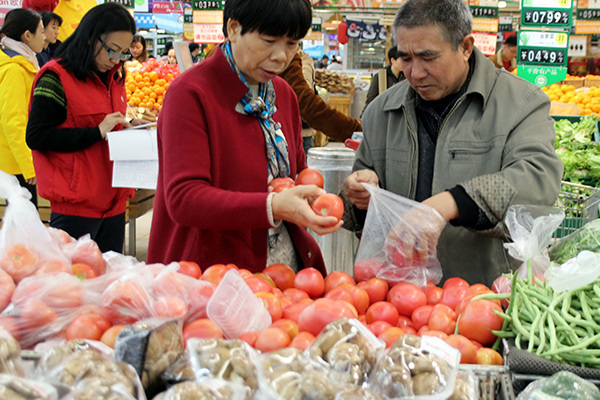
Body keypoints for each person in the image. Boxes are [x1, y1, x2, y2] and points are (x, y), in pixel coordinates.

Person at [343, 0, 563, 286]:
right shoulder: (381, 111)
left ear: (466, 47)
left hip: (487, 299)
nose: (415, 73)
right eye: (405, 59)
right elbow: (359, 213)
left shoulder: (521, 103)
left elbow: (537, 181)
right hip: (401, 301)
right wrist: (359, 195)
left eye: (428, 57)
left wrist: (449, 204)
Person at [147, 0, 343, 275]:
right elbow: (184, 198)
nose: (281, 56)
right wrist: (272, 206)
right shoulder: (190, 94)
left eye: (292, 43)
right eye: (269, 40)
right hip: (213, 272)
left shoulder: (282, 94)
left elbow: (297, 172)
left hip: (281, 269)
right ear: (233, 28)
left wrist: (310, 199)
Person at [26, 3, 141, 253]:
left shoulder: (115, 77)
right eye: (112, 50)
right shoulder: (55, 76)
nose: (115, 60)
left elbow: (107, 124)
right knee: (74, 287)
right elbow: (37, 136)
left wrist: (128, 127)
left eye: (122, 53)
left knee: (109, 285)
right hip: (76, 207)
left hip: (115, 202)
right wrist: (96, 132)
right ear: (90, 38)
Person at [279, 48, 362, 157]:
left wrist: (355, 130)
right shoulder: (289, 57)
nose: (278, 56)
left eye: (291, 43)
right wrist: (355, 130)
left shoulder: (292, 58)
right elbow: (306, 103)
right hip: (289, 132)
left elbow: (305, 102)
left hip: (291, 132)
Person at [0, 8, 45, 207]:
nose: (44, 37)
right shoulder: (14, 70)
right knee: (23, 222)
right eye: (42, 31)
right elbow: (13, 121)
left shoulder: (23, 62)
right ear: (27, 35)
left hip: (16, 159)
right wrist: (29, 166)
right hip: (14, 164)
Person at [362, 46, 405, 116]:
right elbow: (371, 99)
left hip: (400, 114)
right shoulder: (381, 76)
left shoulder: (406, 77)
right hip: (384, 114)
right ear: (393, 60)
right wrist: (364, 117)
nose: (404, 63)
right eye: (401, 60)